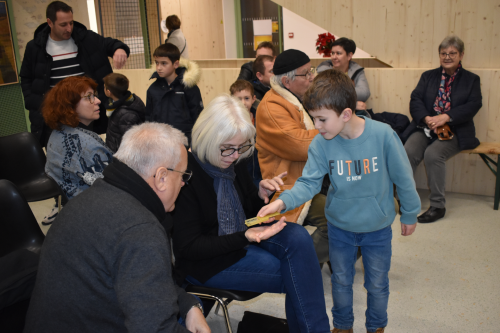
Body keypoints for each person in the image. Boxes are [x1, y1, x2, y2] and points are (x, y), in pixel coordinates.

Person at [258, 69, 421, 333]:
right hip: (340, 228)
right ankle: (343, 326)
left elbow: (403, 178)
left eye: (322, 119)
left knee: (377, 284)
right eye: (313, 119)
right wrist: (282, 202)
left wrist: (410, 213)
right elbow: (308, 183)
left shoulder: (383, 135)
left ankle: (377, 327)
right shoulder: (322, 144)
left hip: (377, 228)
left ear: (346, 114)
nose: (317, 126)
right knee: (341, 281)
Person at [24, 122, 210, 333]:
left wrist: (187, 305)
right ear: (161, 178)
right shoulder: (140, 229)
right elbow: (154, 328)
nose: (184, 183)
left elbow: (141, 281)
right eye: (183, 175)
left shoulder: (92, 197)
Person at [171, 94, 330, 333]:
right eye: (228, 149)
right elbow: (189, 248)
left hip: (240, 240)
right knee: (301, 271)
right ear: (208, 139)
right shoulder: (187, 175)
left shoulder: (232, 162)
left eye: (241, 148)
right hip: (206, 263)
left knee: (298, 236)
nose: (236, 156)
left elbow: (248, 214)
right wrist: (244, 237)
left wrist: (259, 194)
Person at [20, 1, 130, 147]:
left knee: (90, 149)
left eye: (71, 23)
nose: (69, 28)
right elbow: (26, 78)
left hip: (85, 113)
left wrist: (119, 49)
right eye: (63, 24)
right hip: (56, 115)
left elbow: (110, 44)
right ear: (50, 22)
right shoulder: (35, 47)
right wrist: (31, 101)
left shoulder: (86, 38)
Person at [255, 49, 330, 265]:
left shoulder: (302, 98)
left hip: (313, 178)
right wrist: (332, 127)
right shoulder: (271, 107)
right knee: (336, 218)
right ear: (287, 81)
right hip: (289, 186)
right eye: (305, 74)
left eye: (311, 71)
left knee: (364, 210)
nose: (312, 77)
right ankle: (299, 266)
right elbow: (301, 145)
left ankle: (338, 257)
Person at [404, 35, 482, 223]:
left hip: (456, 130)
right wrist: (427, 118)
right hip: (426, 126)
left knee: (433, 154)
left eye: (452, 53)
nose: (447, 57)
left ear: (461, 55)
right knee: (408, 151)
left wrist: (446, 117)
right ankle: (405, 199)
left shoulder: (471, 79)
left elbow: (473, 105)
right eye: (443, 53)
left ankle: (438, 206)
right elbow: (415, 100)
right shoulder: (428, 76)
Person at [42, 76, 113, 224]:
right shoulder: (88, 147)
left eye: (95, 95)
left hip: (74, 210)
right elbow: (113, 189)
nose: (98, 101)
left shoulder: (57, 133)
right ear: (69, 105)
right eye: (89, 97)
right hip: (97, 214)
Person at [146, 43, 203, 146]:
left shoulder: (189, 87)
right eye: (157, 63)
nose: (159, 67)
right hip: (160, 142)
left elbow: (198, 117)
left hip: (184, 141)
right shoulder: (152, 89)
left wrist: (194, 143)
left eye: (164, 63)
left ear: (176, 64)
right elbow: (148, 117)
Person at [317, 37, 370, 111]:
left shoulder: (357, 70)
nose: (334, 57)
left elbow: (364, 93)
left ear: (349, 56)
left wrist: (336, 91)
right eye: (332, 53)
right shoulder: (324, 71)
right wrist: (352, 104)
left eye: (338, 53)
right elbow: (324, 96)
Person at [230, 80, 262, 187]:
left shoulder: (261, 118)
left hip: (259, 171)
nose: (243, 103)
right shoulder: (229, 122)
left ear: (253, 99)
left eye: (246, 98)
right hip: (238, 171)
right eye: (238, 99)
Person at [104, 73, 146, 153]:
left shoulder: (126, 115)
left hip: (121, 156)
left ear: (109, 92)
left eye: (104, 86)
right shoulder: (115, 105)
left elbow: (131, 143)